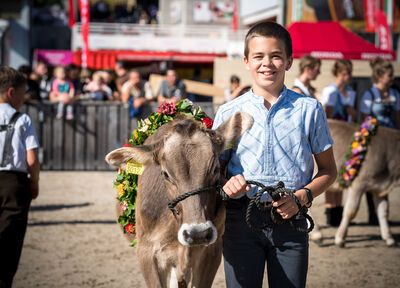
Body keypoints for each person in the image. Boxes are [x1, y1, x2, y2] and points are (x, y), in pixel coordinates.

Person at [212, 22, 337, 288]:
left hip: (291, 222)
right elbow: (214, 174)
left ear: (289, 61)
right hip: (240, 221)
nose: (267, 63)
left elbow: (329, 171)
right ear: (246, 61)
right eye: (258, 56)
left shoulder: (309, 110)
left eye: (276, 55)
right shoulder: (228, 113)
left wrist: (302, 197)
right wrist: (226, 184)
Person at [0, 66, 40, 288]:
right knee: (10, 242)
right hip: (13, 185)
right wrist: (34, 183)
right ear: (11, 92)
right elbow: (32, 159)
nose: (24, 99)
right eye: (23, 94)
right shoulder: (22, 120)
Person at [359, 58, 400, 225]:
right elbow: (364, 119)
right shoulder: (370, 95)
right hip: (375, 141)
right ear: (380, 76)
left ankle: (384, 214)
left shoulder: (395, 94)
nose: (392, 78)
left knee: (387, 175)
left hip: (391, 142)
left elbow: (398, 117)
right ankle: (372, 214)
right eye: (389, 75)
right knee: (371, 176)